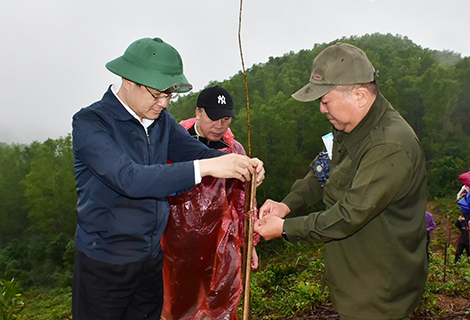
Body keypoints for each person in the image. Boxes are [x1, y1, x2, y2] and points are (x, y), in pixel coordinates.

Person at [71, 37, 265, 320]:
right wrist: (206, 168)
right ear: (128, 80)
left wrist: (239, 164)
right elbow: (129, 178)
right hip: (106, 262)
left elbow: (193, 151)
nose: (163, 103)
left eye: (168, 96)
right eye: (155, 94)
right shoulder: (91, 123)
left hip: (150, 261)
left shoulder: (160, 121)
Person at [254, 43, 428, 320]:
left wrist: (285, 228)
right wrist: (286, 206)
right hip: (355, 279)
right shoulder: (349, 127)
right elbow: (323, 173)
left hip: (379, 294)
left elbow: (348, 215)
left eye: (326, 101)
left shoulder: (388, 145)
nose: (322, 110)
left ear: (359, 95)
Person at [161, 86, 260, 320]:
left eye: (225, 119)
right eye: (213, 118)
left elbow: (243, 201)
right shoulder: (173, 143)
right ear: (198, 112)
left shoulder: (234, 150)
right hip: (177, 245)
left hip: (219, 244)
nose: (219, 125)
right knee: (178, 306)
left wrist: (250, 242)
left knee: (222, 304)